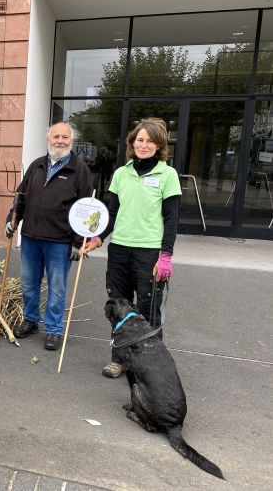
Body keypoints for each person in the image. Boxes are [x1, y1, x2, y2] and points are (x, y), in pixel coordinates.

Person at [81, 117, 181, 378]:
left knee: (148, 309)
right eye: (140, 140)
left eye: (149, 141)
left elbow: (171, 219)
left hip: (149, 252)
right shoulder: (121, 173)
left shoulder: (167, 175)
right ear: (132, 143)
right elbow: (112, 213)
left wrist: (166, 255)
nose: (144, 145)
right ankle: (119, 360)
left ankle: (151, 364)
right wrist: (98, 238)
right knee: (119, 307)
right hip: (120, 250)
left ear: (159, 145)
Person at [7, 122, 94, 351]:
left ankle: (54, 329)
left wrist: (78, 243)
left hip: (60, 241)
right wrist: (11, 220)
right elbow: (20, 197)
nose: (60, 141)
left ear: (71, 140)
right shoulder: (37, 166)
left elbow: (86, 209)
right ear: (49, 139)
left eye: (65, 137)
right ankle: (31, 321)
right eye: (56, 136)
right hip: (31, 238)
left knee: (57, 287)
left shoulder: (80, 170)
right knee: (28, 283)